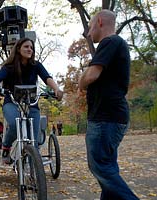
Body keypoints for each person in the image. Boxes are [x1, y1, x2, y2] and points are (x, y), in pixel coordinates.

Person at [78, 10, 139, 200]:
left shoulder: (110, 42)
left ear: (100, 22)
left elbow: (91, 75)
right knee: (108, 168)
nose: (88, 33)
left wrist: (81, 81)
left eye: (90, 26)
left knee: (101, 167)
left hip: (106, 118)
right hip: (111, 117)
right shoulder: (115, 45)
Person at [0, 37, 63, 164]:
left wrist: (56, 89)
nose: (29, 49)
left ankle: (34, 165)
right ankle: (6, 146)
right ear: (18, 49)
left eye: (31, 47)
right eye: (26, 47)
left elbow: (47, 78)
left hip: (31, 103)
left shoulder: (36, 65)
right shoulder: (9, 67)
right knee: (14, 124)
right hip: (11, 102)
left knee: (35, 136)